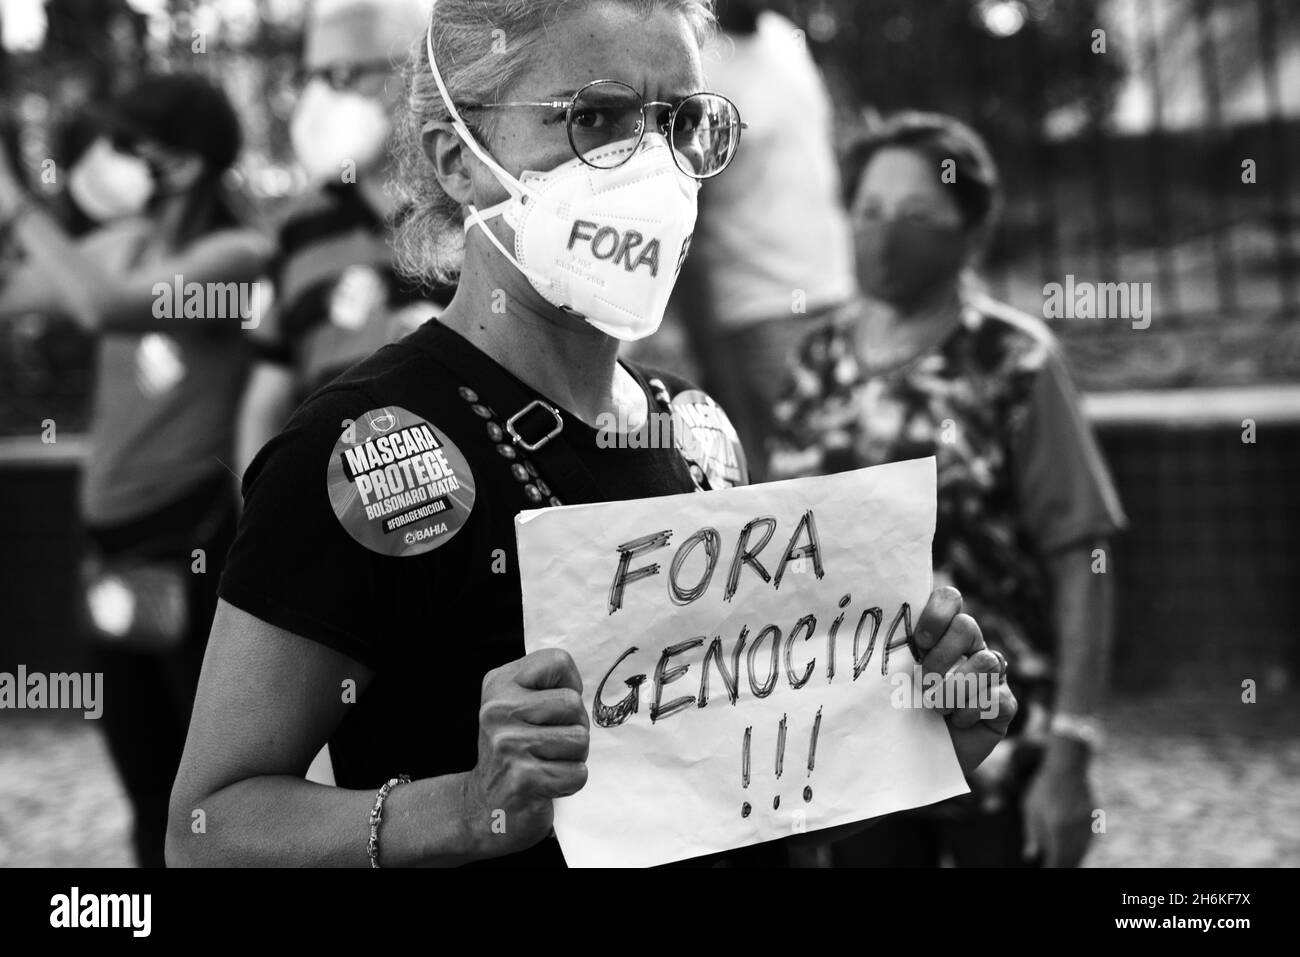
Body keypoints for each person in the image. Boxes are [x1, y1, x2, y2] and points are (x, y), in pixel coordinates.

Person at [166, 0, 1015, 869]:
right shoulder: (358, 455)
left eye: (680, 121)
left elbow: (723, 804)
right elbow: (207, 827)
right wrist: (461, 809)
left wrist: (913, 736)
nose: (648, 165)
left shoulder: (700, 434)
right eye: (595, 117)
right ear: (458, 160)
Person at [769, 112, 1127, 867]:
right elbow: (784, 558)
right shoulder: (816, 361)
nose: (884, 233)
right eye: (868, 212)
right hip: (856, 746)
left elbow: (1081, 559)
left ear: (971, 231)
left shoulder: (1014, 363)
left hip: (997, 738)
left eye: (916, 216)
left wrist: (1072, 747)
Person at [0, 74, 272, 867]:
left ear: (180, 162)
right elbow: (23, 291)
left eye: (125, 145)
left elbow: (104, 307)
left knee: (205, 790)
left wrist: (19, 205)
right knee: (142, 779)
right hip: (107, 546)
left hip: (188, 540)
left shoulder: (239, 256)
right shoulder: (123, 245)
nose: (104, 162)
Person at [236, 0, 449, 477]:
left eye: (347, 72)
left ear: (416, 75)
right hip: (331, 513)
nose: (324, 97)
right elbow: (266, 400)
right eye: (315, 76)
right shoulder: (297, 227)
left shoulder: (470, 207)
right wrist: (261, 522)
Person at [670, 0, 856, 480]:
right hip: (759, 317)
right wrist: (714, 362)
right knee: (803, 491)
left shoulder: (784, 38)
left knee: (853, 474)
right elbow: (687, 220)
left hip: (836, 294)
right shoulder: (700, 66)